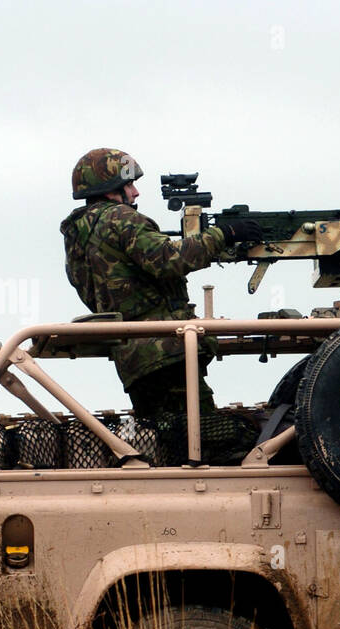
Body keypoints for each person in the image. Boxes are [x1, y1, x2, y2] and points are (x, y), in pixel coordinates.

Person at [60, 147, 262, 463]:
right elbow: (169, 261)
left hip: (133, 358)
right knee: (217, 439)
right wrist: (225, 235)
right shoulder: (120, 219)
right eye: (128, 185)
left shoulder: (77, 234)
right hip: (165, 354)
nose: (135, 191)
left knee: (170, 440)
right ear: (108, 189)